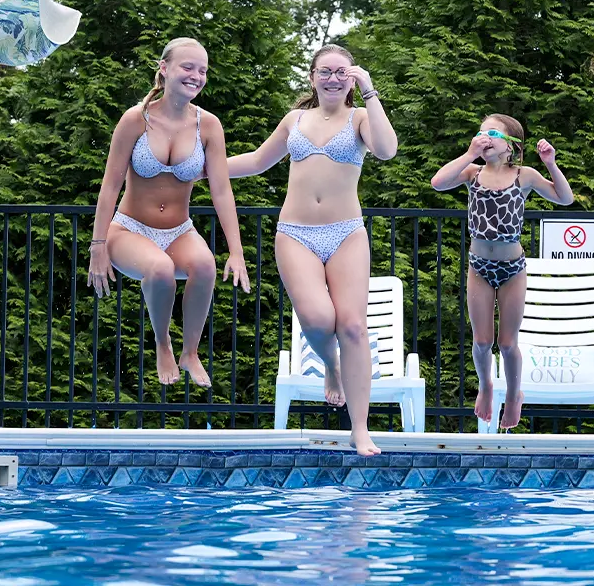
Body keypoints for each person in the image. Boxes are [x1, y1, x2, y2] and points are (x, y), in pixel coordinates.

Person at [227, 44, 397, 456]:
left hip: (346, 233)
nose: (333, 79)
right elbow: (257, 161)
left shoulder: (360, 117)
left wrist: (370, 91)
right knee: (319, 320)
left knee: (353, 327)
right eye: (325, 71)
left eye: (342, 72)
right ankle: (332, 366)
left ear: (352, 78)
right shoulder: (295, 120)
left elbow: (386, 150)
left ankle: (360, 428)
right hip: (296, 234)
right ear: (312, 77)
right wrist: (201, 169)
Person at [87, 37, 250, 391]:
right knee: (159, 268)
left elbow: (222, 191)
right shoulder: (136, 119)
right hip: (130, 229)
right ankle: (163, 343)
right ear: (164, 69)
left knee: (205, 265)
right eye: (187, 67)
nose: (196, 76)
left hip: (179, 230)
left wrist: (236, 251)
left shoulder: (208, 126)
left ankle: (189, 353)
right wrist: (97, 246)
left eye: (202, 70)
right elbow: (110, 185)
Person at [430, 115, 573, 430]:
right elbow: (438, 183)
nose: (484, 137)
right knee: (482, 341)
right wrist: (469, 153)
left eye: (492, 133)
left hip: (512, 269)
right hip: (479, 267)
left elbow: (565, 198)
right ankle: (485, 386)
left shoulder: (525, 175)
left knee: (508, 343)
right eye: (480, 133)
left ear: (511, 146)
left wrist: (550, 164)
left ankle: (513, 393)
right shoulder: (472, 172)